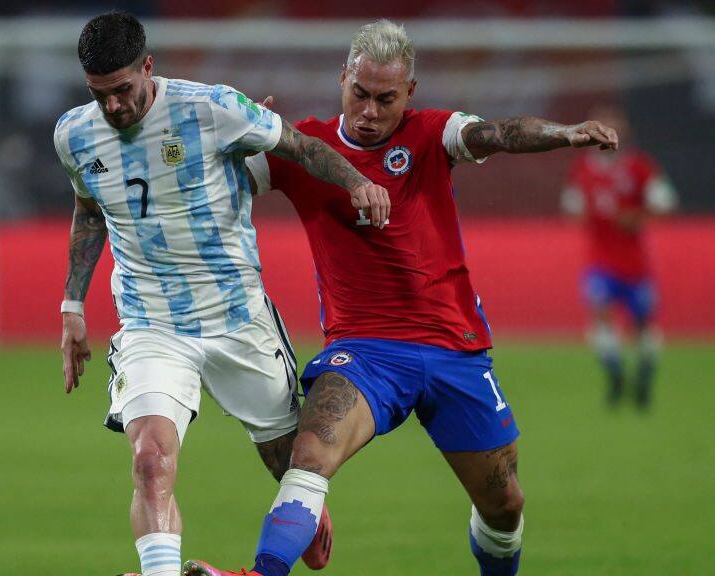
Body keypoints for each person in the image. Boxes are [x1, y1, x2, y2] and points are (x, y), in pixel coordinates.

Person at [183, 19, 619, 576]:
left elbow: (499, 132)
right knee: (311, 453)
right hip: (365, 353)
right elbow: (216, 183)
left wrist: (565, 133)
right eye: (358, 93)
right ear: (343, 78)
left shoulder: (433, 133)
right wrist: (237, 139)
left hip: (453, 348)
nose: (368, 111)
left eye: (384, 99)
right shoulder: (302, 146)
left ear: (408, 93)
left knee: (505, 504)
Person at [54, 12, 389, 576]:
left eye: (122, 90)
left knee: (292, 464)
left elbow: (300, 147)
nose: (112, 106)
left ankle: (301, 504)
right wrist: (72, 305)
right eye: (99, 94)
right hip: (150, 321)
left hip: (238, 317)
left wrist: (358, 182)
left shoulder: (211, 108)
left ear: (148, 68)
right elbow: (90, 209)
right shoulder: (74, 134)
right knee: (150, 459)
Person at [561, 105, 677, 408]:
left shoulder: (639, 166)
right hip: (600, 262)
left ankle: (644, 377)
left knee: (642, 325)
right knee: (600, 313)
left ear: (622, 133)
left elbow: (665, 203)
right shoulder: (584, 169)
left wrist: (637, 217)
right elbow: (571, 206)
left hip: (635, 265)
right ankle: (615, 377)